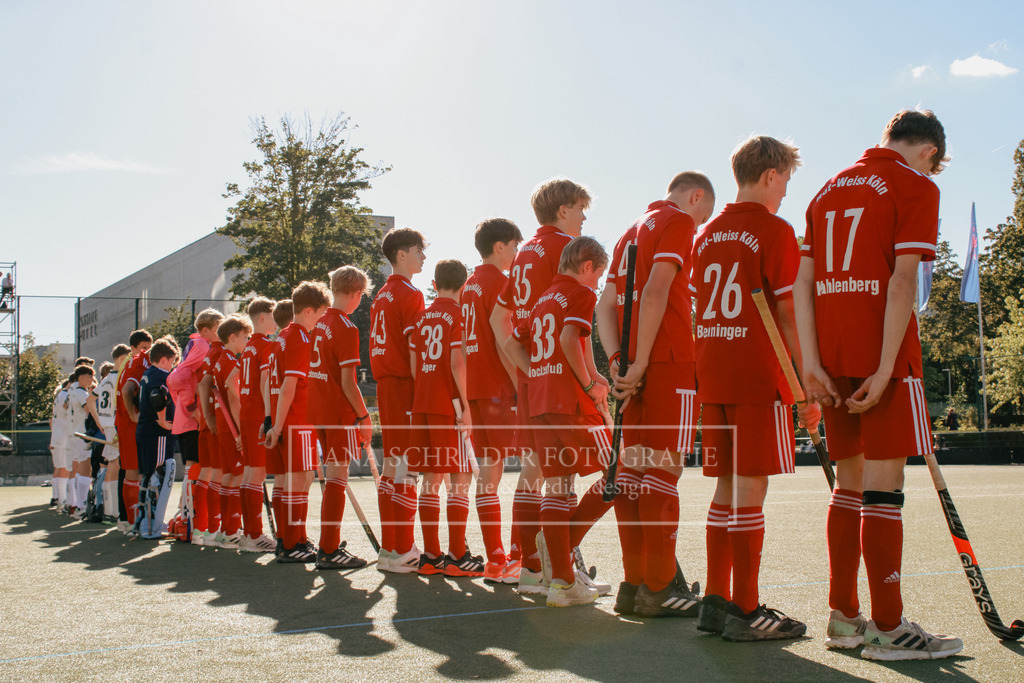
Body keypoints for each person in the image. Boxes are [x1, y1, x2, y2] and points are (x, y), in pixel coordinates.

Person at [795, 109, 963, 660]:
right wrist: (889, 366)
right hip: (880, 354)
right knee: (884, 489)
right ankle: (889, 629)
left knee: (850, 484)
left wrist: (811, 364)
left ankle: (844, 619)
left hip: (832, 355)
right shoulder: (914, 185)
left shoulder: (826, 189)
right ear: (929, 152)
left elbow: (804, 283)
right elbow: (901, 281)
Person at [691, 137, 815, 640]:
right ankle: (745, 609)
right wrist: (804, 390)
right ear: (770, 175)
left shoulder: (706, 234)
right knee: (750, 491)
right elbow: (787, 313)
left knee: (725, 491)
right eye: (785, 180)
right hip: (757, 375)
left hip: (714, 372)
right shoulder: (775, 229)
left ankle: (716, 601)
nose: (786, 191)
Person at [598, 171, 714, 617]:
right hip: (667, 360)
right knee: (663, 475)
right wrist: (644, 360)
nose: (699, 226)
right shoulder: (678, 220)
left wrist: (618, 362)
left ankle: (635, 583)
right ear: (695, 196)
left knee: (634, 474)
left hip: (631, 365)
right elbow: (656, 290)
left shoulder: (630, 230)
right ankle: (661, 587)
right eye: (702, 216)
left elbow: (604, 305)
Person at [490, 177, 600, 593]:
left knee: (536, 472)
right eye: (580, 208)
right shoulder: (561, 251)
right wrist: (588, 380)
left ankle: (534, 565)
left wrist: (527, 369)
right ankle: (554, 568)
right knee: (564, 474)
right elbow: (572, 327)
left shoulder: (525, 254)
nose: (585, 216)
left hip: (537, 380)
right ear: (563, 210)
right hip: (561, 381)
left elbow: (499, 324)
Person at [505, 236, 613, 607]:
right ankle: (562, 549)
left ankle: (562, 582)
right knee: (620, 473)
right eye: (598, 274)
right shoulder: (582, 295)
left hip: (541, 402)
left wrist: (539, 376)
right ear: (587, 266)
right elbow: (570, 339)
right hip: (572, 403)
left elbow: (511, 345)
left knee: (558, 485)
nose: (598, 282)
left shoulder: (543, 299)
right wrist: (588, 384)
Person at [408, 259, 482, 576]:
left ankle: (430, 556)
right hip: (448, 406)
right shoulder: (458, 315)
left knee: (430, 481)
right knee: (459, 482)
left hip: (422, 404)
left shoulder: (421, 318)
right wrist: (465, 407)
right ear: (463, 285)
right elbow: (457, 363)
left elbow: (414, 363)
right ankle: (457, 556)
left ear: (435, 284)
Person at [462, 218, 523, 581]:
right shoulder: (500, 282)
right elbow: (504, 341)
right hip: (501, 390)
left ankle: (495, 557)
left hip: (476, 389)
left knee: (489, 473)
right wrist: (521, 383)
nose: (517, 253)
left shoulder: (469, 284)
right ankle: (516, 555)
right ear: (500, 246)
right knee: (533, 466)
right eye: (515, 246)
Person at [308, 266, 374, 570]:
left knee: (331, 480)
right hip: (338, 413)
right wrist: (364, 417)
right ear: (357, 293)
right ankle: (330, 549)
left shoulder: (318, 323)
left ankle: (328, 544)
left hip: (319, 412)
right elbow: (349, 383)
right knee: (337, 480)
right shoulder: (347, 328)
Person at [369, 228, 427, 573]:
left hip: (386, 385)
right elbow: (415, 348)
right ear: (402, 254)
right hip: (404, 385)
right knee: (406, 466)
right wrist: (425, 391)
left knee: (393, 466)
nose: (424, 256)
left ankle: (391, 547)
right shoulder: (409, 293)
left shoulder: (382, 293)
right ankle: (402, 547)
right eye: (419, 250)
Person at [265, 281, 330, 562]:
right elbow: (290, 385)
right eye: (320, 314)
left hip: (288, 419)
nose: (321, 321)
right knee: (300, 479)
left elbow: (268, 383)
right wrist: (277, 426)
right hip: (297, 420)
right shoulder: (299, 337)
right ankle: (293, 543)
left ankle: (290, 539)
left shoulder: (281, 337)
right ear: (307, 311)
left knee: (292, 480)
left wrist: (272, 423)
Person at [169, 308, 223, 546]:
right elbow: (177, 377)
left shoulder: (196, 344)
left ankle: (189, 516)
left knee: (195, 468)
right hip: (192, 420)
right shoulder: (202, 344)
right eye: (217, 329)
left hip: (189, 419)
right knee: (198, 468)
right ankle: (191, 519)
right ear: (205, 330)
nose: (220, 333)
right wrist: (193, 407)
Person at [206, 314, 252, 549]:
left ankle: (226, 529)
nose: (248, 341)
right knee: (237, 475)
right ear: (232, 337)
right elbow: (234, 397)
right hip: (231, 426)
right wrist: (241, 432)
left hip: (224, 426)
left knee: (228, 476)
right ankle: (231, 530)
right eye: (245, 337)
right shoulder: (230, 361)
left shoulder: (221, 359)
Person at [237, 297, 278, 553]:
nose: (276, 321)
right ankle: (254, 535)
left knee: (250, 473)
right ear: (262, 317)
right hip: (257, 415)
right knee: (257, 474)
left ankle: (249, 532)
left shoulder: (249, 347)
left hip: (246, 414)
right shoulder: (264, 345)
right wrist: (269, 418)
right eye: (273, 316)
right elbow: (265, 382)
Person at [132, 336, 181, 538]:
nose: (172, 366)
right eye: (171, 361)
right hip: (157, 433)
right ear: (164, 360)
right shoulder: (160, 377)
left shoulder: (146, 374)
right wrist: (161, 419)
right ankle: (153, 525)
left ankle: (143, 522)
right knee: (164, 471)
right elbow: (157, 396)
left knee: (148, 476)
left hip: (144, 431)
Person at [115, 329, 153, 530]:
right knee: (132, 471)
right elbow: (127, 389)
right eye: (144, 348)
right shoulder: (139, 362)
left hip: (125, 422)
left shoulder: (131, 361)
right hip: (130, 424)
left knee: (133, 471)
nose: (147, 351)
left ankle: (130, 520)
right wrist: (132, 415)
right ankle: (131, 520)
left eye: (149, 347)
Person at [92, 345, 131, 524]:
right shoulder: (118, 378)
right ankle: (112, 512)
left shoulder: (106, 378)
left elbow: (90, 399)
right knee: (115, 464)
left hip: (108, 425)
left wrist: (99, 420)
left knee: (111, 465)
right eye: (127, 358)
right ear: (119, 358)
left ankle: (110, 510)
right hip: (115, 425)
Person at [66, 365, 101, 519]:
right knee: (85, 469)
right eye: (89, 376)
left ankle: (75, 503)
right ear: (81, 377)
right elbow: (90, 411)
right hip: (82, 434)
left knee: (79, 469)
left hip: (74, 432)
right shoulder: (81, 393)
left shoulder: (72, 391)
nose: (91, 380)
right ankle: (81, 505)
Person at [48, 377, 73, 510]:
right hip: (63, 437)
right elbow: (67, 407)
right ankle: (63, 500)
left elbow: (51, 420)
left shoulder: (59, 395)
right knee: (64, 468)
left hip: (57, 436)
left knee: (58, 468)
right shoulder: (66, 394)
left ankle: (57, 497)